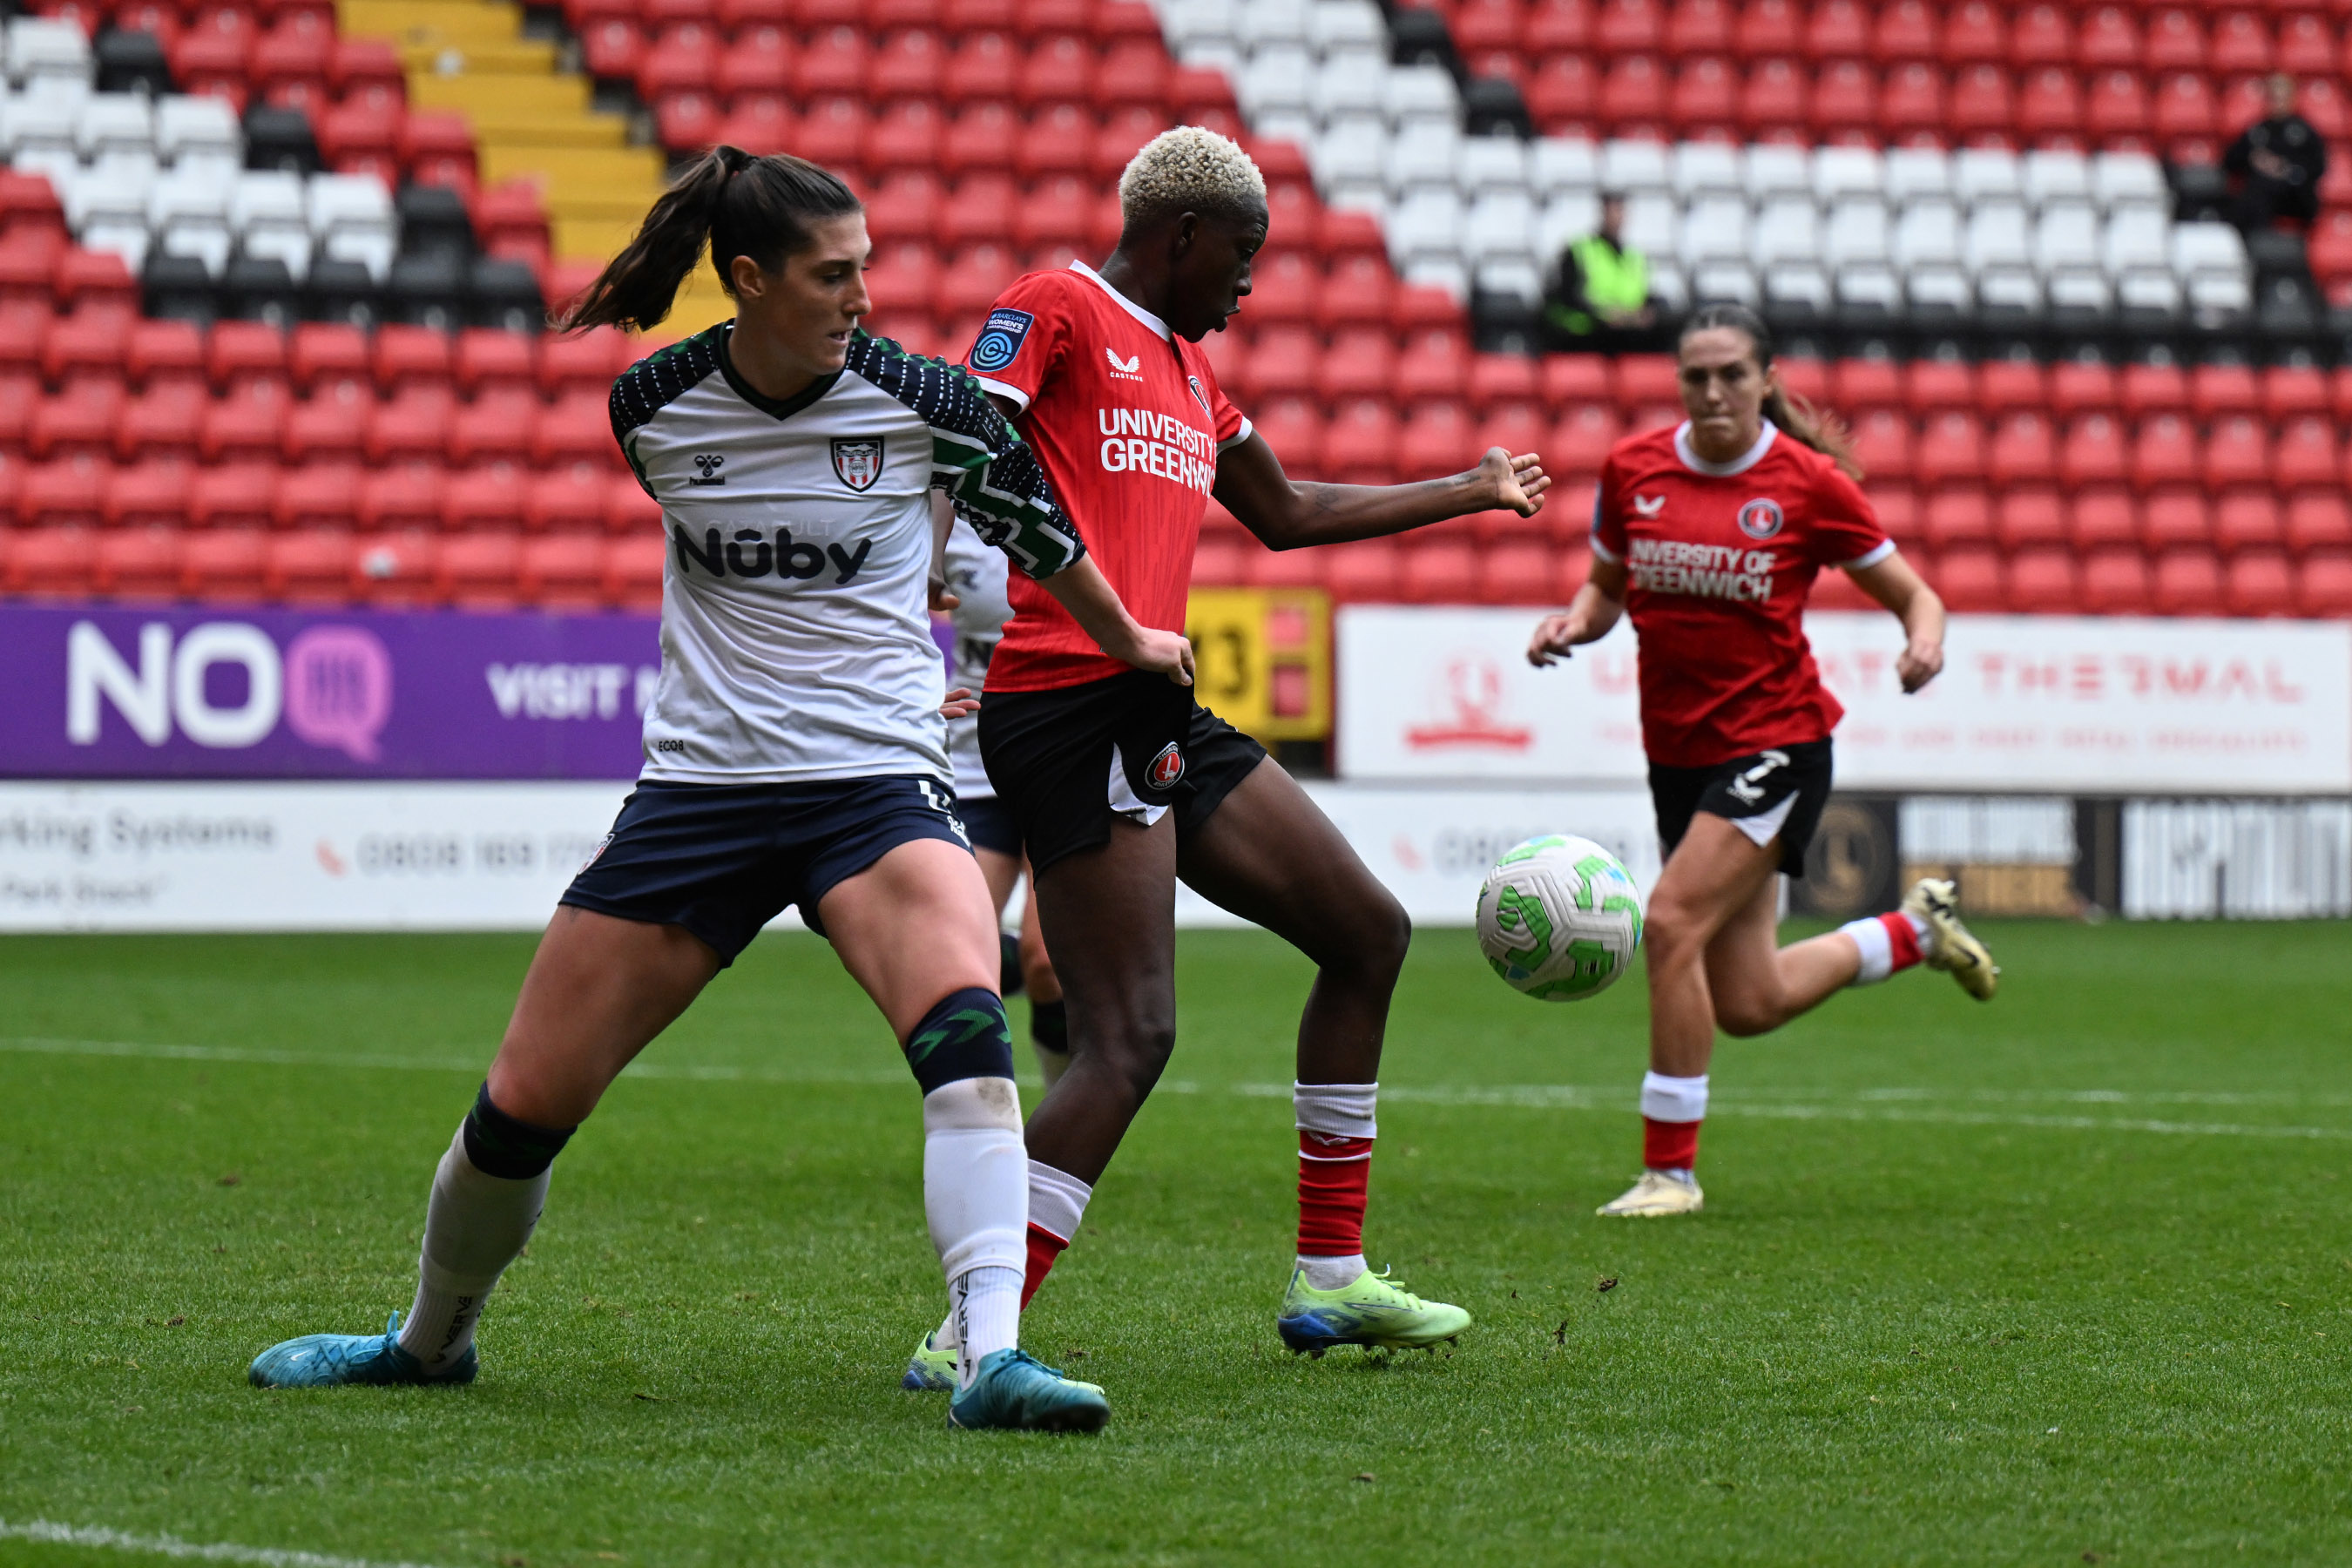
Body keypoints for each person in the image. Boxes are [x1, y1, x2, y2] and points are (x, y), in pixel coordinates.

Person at [242, 147, 1198, 1434]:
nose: (862, 295)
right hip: (698, 795)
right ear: (747, 279)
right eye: (831, 273)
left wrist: (1129, 639)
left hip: (872, 790)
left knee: (969, 1052)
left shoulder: (933, 404)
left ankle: (990, 1361)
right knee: (523, 1108)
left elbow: (1042, 531)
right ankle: (425, 1345)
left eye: (866, 267)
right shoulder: (655, 406)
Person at [902, 126, 1551, 1390]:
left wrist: (1468, 489)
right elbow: (965, 432)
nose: (1250, 285)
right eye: (1242, 256)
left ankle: (1328, 1280)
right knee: (1130, 1037)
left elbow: (1290, 513)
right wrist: (916, 565)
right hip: (1070, 696)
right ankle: (968, 1332)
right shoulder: (1060, 305)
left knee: (1367, 931)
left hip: (1159, 698)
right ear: (1183, 234)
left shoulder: (1196, 374)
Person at [1524, 302, 1997, 1221]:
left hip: (1777, 741)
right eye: (1695, 377)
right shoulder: (1634, 471)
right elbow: (1606, 588)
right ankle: (1912, 935)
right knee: (1749, 997)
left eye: (1731, 375)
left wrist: (1924, 644)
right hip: (1678, 752)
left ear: (1765, 381)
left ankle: (1671, 1172)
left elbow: (1916, 595)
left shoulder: (1808, 484)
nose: (1712, 394)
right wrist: (1573, 624)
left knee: (1666, 924)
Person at [1543, 191, 1656, 351]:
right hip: (1586, 333)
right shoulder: (1579, 250)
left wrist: (1641, 315)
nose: (1617, 218)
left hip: (1626, 332)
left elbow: (1645, 296)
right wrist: (1603, 314)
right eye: (1612, 211)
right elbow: (1568, 296)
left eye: (1620, 211)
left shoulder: (1635, 256)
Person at [2224, 74, 2328, 234]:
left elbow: (2317, 167)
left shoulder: (2305, 132)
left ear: (2292, 99)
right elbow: (2230, 161)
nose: (2277, 103)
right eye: (2273, 98)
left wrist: (2285, 169)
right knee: (2251, 195)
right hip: (2259, 194)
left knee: (2262, 190)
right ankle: (2251, 243)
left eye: (2282, 98)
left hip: (2294, 195)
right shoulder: (2258, 131)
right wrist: (2253, 160)